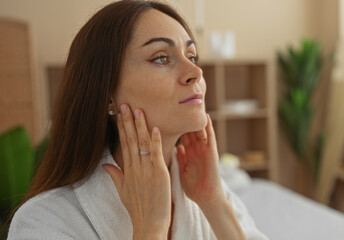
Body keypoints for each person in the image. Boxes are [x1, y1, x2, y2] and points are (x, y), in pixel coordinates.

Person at [7, 1, 268, 239]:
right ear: (107, 94)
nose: (196, 72)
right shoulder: (44, 222)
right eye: (162, 58)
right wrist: (150, 228)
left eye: (191, 56)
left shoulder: (210, 193)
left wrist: (214, 202)